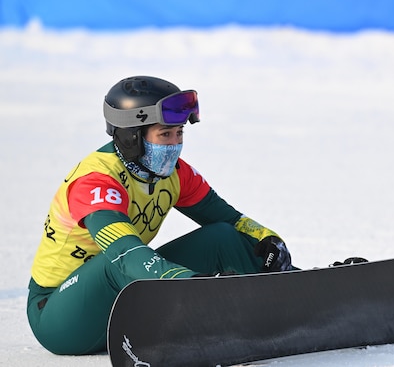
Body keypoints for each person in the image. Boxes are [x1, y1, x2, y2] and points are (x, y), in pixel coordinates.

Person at [27, 76, 295, 355]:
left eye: (179, 133)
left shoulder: (175, 174)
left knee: (222, 236)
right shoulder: (97, 181)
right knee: (115, 261)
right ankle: (216, 319)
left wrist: (267, 240)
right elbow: (126, 255)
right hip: (58, 316)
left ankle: (290, 297)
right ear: (132, 137)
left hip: (123, 303)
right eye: (165, 135)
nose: (175, 144)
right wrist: (190, 284)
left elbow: (231, 220)